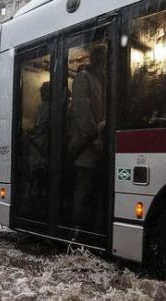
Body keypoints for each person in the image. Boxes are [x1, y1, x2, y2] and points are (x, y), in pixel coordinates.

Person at [68, 45, 107, 231]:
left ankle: (91, 227)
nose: (104, 62)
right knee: (83, 190)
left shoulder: (99, 80)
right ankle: (78, 230)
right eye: (101, 57)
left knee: (95, 191)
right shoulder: (83, 78)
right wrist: (95, 137)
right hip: (87, 146)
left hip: (97, 145)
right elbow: (83, 114)